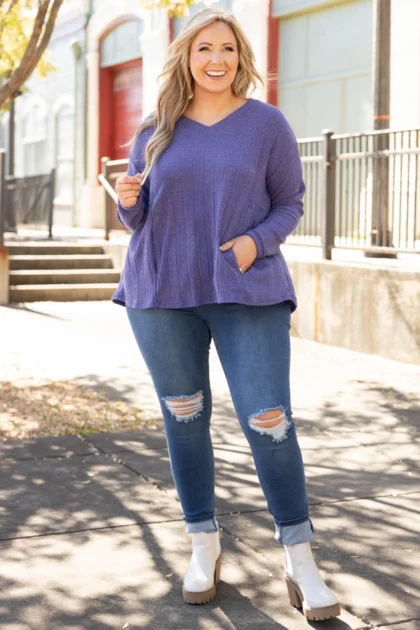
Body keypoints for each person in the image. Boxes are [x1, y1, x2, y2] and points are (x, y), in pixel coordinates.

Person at [113, 7, 341, 622]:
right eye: (205, 48)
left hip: (248, 289)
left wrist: (252, 244)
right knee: (184, 420)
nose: (217, 59)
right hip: (161, 291)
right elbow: (139, 219)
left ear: (241, 58)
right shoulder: (155, 128)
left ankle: (299, 556)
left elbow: (289, 203)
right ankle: (203, 545)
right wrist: (128, 202)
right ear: (186, 57)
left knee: (270, 421)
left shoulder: (266, 124)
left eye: (228, 49)